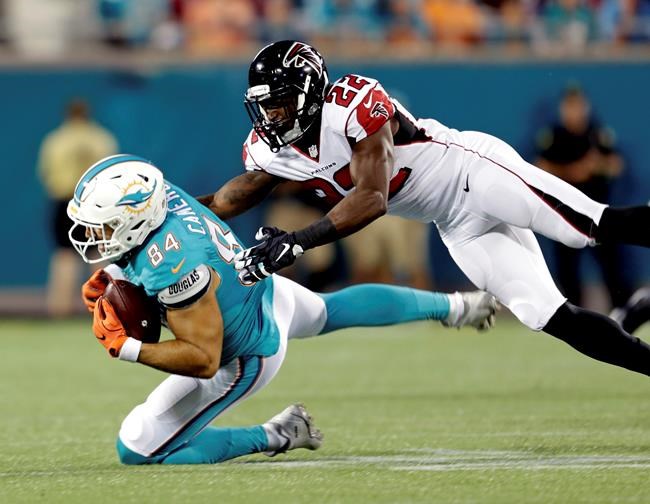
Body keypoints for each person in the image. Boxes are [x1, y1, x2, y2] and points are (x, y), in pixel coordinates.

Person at [198, 40, 650, 378]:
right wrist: (163, 213)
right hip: (455, 222)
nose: (270, 117)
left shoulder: (351, 104)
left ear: (309, 92)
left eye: (279, 104)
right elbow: (224, 201)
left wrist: (297, 242)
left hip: (473, 172)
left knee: (586, 227)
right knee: (541, 313)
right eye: (264, 106)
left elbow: (372, 197)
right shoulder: (271, 151)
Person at [68, 154, 498, 465]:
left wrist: (126, 348)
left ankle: (277, 433)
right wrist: (119, 279)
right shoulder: (163, 198)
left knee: (138, 448)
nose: (93, 234)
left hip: (243, 354)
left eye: (104, 226)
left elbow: (203, 359)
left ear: (137, 217)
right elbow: (150, 250)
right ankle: (459, 306)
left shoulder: (178, 265)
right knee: (331, 311)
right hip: (265, 291)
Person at [536, 83, 632, 310]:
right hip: (566, 214)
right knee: (567, 271)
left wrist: (597, 165)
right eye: (570, 106)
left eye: (578, 106)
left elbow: (616, 165)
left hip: (598, 214)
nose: (574, 111)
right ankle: (575, 315)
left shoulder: (598, 133)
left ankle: (623, 313)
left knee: (612, 268)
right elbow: (539, 167)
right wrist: (575, 171)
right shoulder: (554, 136)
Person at [38, 98, 118, 317]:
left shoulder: (55, 140)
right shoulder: (101, 138)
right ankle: (108, 310)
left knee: (64, 257)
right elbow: (112, 173)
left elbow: (46, 173)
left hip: (64, 201)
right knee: (100, 255)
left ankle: (58, 311)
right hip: (94, 203)